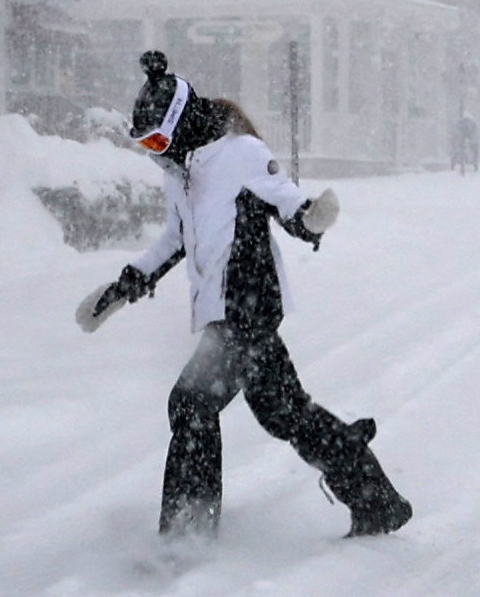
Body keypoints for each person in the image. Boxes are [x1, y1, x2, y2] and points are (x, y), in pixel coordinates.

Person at [80, 53, 413, 542]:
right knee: (287, 414)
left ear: (182, 122)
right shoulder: (183, 173)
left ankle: (187, 534)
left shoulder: (241, 154)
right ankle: (376, 500)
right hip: (224, 314)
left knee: (191, 405)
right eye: (145, 144)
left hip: (247, 308)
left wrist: (310, 218)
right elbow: (175, 239)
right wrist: (124, 286)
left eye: (157, 139)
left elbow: (285, 199)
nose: (154, 151)